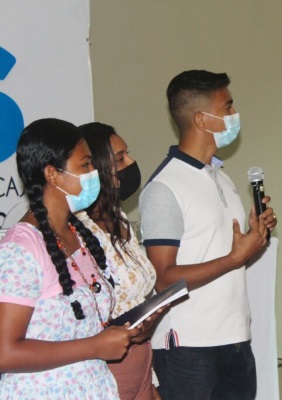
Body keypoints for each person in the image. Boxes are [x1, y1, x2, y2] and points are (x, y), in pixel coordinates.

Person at [139, 69, 277, 400]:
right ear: (201, 119)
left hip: (235, 338)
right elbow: (163, 278)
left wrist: (254, 239)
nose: (234, 114)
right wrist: (234, 258)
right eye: (227, 107)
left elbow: (226, 258)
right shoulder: (165, 187)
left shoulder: (220, 177)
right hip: (189, 346)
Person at [0, 118, 138, 399]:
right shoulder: (20, 249)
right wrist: (94, 347)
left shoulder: (79, 233)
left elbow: (84, 326)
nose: (94, 173)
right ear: (52, 175)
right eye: (85, 165)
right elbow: (5, 352)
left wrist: (131, 326)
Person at [78, 122, 161, 400]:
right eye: (120, 159)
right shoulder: (78, 231)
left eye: (128, 154)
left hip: (142, 360)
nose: (131, 163)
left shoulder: (120, 218)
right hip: (109, 368)